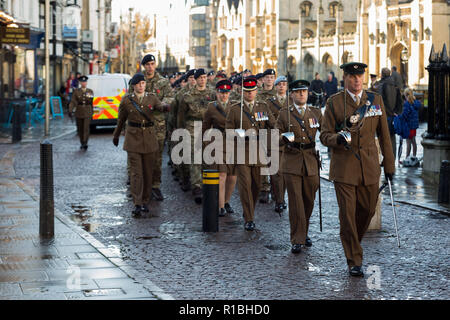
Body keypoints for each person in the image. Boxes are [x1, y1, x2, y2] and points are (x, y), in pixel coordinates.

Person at [320, 62, 395, 277]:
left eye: (359, 76)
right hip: (344, 167)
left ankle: (354, 242)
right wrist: (338, 139)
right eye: (352, 76)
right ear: (345, 78)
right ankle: (354, 258)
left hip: (370, 166)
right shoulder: (334, 103)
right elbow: (324, 135)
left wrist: (389, 165)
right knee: (348, 216)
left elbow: (384, 136)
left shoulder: (375, 100)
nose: (356, 80)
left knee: (368, 210)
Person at [112, 73, 170, 217]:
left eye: (143, 83)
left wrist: (166, 107)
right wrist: (116, 135)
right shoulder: (126, 100)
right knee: (136, 173)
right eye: (138, 84)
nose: (141, 86)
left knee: (148, 172)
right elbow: (121, 119)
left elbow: (160, 106)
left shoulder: (151, 98)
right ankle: (137, 203)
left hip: (149, 139)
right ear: (133, 85)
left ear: (145, 84)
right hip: (133, 139)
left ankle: (145, 201)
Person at [276, 79, 322, 253]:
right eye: (298, 91)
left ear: (308, 93)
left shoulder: (316, 113)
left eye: (304, 91)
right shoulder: (284, 114)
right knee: (296, 202)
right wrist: (283, 138)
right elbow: (275, 136)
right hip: (292, 161)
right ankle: (297, 238)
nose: (302, 94)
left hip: (310, 161)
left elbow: (325, 133)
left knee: (308, 200)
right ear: (292, 95)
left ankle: (304, 231)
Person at [225, 76, 276, 231]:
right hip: (242, 152)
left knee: (256, 186)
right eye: (247, 91)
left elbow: (273, 125)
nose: (250, 94)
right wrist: (237, 132)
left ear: (256, 91)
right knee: (245, 185)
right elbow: (227, 131)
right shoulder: (235, 109)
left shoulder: (263, 107)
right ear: (242, 92)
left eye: (252, 91)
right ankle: (249, 217)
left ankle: (250, 211)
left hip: (259, 152)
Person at [138, 54, 175, 201]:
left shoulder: (163, 82)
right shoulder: (138, 81)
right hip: (142, 125)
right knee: (141, 156)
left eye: (152, 64)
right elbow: (131, 98)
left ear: (155, 65)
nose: (150, 67)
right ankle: (142, 186)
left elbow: (170, 97)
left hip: (158, 124)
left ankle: (155, 186)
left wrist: (161, 104)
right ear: (144, 66)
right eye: (147, 64)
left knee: (157, 157)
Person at [178, 68, 216, 204]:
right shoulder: (187, 96)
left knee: (209, 156)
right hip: (193, 127)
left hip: (210, 128)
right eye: (200, 78)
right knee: (195, 156)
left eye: (205, 77)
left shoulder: (213, 94)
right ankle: (197, 186)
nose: (202, 80)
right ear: (196, 79)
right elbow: (181, 116)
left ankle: (209, 184)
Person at [202, 79, 237, 216]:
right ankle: (220, 206)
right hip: (217, 143)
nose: (224, 95)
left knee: (232, 176)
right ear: (217, 93)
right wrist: (205, 144)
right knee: (222, 174)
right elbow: (205, 126)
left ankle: (226, 201)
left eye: (226, 92)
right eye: (221, 93)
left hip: (233, 143)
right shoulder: (211, 107)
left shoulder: (235, 106)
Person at [267, 75, 290, 213]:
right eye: (279, 84)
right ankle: (279, 200)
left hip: (289, 141)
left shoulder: (292, 101)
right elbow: (270, 120)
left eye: (284, 84)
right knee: (276, 172)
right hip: (275, 139)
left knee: (285, 173)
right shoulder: (269, 102)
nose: (281, 86)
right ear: (275, 87)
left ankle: (282, 196)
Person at [256, 68, 277, 204]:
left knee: (275, 162)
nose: (269, 79)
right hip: (262, 129)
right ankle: (264, 189)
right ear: (263, 80)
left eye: (271, 77)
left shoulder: (278, 93)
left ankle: (276, 191)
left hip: (275, 130)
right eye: (267, 77)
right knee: (263, 161)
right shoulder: (258, 94)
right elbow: (255, 110)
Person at [378, 67, 403, 160]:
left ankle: (385, 159)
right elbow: (400, 101)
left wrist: (388, 112)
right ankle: (393, 157)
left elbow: (380, 101)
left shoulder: (382, 84)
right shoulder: (395, 85)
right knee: (392, 137)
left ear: (382, 74)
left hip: (385, 115)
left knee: (383, 137)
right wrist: (396, 112)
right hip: (393, 115)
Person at [68, 76, 94, 150]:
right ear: (80, 83)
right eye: (82, 82)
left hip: (87, 111)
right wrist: (70, 110)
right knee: (80, 128)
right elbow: (73, 101)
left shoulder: (90, 91)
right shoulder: (76, 91)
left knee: (86, 128)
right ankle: (82, 142)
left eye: (85, 82)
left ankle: (85, 143)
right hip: (79, 112)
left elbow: (90, 101)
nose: (84, 83)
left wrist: (92, 112)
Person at [399, 88, 421, 167]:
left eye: (404, 95)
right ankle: (414, 158)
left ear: (406, 95)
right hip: (414, 126)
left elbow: (405, 115)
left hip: (408, 126)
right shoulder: (415, 103)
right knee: (413, 142)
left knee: (408, 143)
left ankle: (407, 159)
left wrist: (398, 117)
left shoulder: (407, 103)